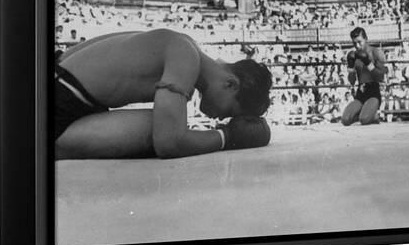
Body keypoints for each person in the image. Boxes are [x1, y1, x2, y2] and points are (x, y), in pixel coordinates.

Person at [55, 29, 272, 159]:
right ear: (230, 85)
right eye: (231, 111)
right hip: (58, 103)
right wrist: (229, 137)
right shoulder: (186, 56)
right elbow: (168, 143)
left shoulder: (184, 44)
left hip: (62, 91)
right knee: (162, 128)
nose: (222, 118)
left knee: (164, 122)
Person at [342, 27, 388, 126]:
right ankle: (366, 112)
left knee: (364, 119)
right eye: (354, 43)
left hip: (373, 93)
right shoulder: (354, 55)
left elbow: (381, 77)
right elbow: (352, 81)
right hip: (360, 94)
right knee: (345, 120)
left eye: (359, 42)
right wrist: (350, 67)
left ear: (366, 38)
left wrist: (368, 62)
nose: (357, 46)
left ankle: (373, 115)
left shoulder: (376, 52)